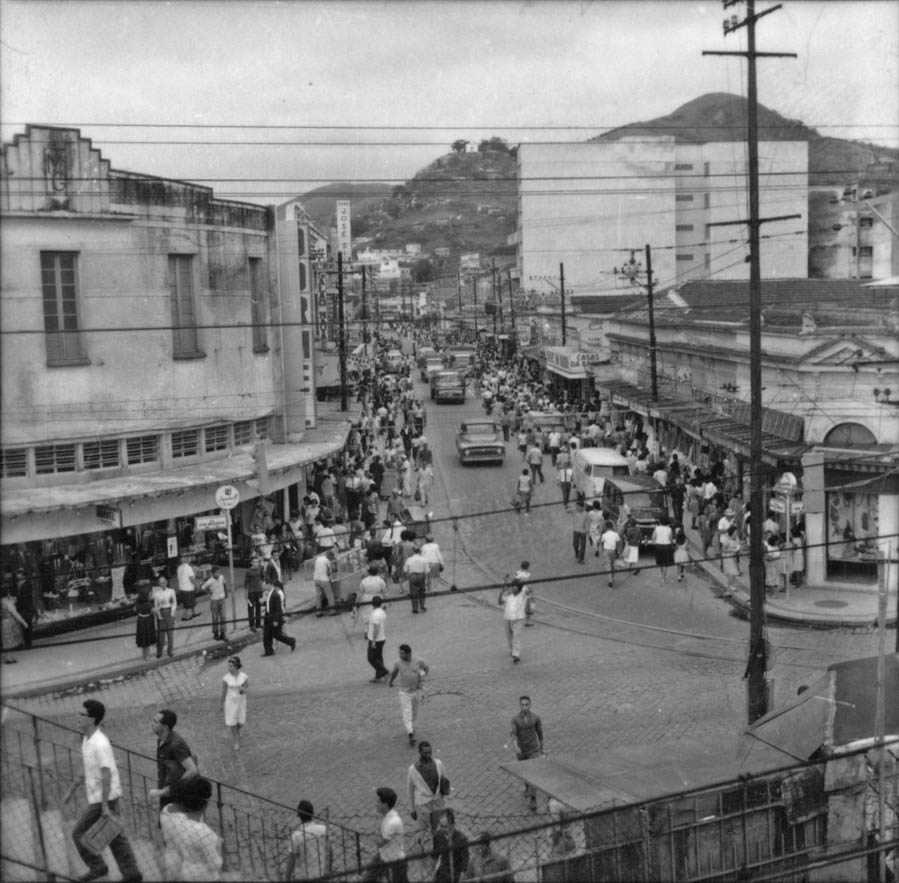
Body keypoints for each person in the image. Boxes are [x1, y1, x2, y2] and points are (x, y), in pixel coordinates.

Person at [68, 699, 143, 882]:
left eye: (82, 715)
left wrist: (103, 806)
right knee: (115, 835)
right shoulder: (87, 738)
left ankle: (98, 866)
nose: (78, 718)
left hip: (104, 797)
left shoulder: (100, 744)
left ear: (92, 719)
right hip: (100, 796)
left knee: (78, 833)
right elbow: (87, 766)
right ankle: (131, 872)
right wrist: (72, 789)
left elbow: (106, 774)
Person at [160, 777, 223, 881]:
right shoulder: (203, 832)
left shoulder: (166, 811)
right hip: (203, 876)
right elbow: (214, 865)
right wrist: (218, 847)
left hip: (176, 864)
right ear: (205, 803)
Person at [149, 708, 198, 811]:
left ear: (165, 727)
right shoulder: (161, 739)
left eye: (155, 722)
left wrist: (171, 789)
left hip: (177, 795)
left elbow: (192, 770)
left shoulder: (175, 745)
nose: (151, 724)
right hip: (167, 791)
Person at [406, 740, 450, 855]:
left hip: (437, 802)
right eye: (425, 753)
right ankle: (426, 851)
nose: (429, 755)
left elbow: (445, 780)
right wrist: (412, 809)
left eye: (430, 752)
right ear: (419, 752)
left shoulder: (438, 763)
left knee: (435, 828)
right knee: (425, 830)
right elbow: (410, 790)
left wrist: (444, 798)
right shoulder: (412, 770)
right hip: (422, 804)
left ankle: (434, 847)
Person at [388, 643, 429, 746]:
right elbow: (395, 672)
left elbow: (426, 669)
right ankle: (410, 734)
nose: (400, 656)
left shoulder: (419, 661)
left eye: (402, 654)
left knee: (414, 712)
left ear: (409, 654)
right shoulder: (398, 662)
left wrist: (422, 676)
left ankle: (410, 726)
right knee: (406, 713)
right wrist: (391, 681)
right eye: (399, 653)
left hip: (416, 691)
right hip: (404, 692)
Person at [363, 787, 407, 883]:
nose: (376, 804)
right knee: (367, 879)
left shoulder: (392, 822)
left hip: (395, 862)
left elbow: (380, 843)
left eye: (378, 802)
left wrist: (374, 826)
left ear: (385, 805)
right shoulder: (386, 816)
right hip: (383, 856)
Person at [510, 695, 544, 811]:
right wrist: (515, 746)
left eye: (526, 705)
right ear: (520, 705)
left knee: (533, 774)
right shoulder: (515, 719)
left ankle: (533, 799)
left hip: (534, 750)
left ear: (530, 705)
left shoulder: (535, 718)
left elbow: (540, 734)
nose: (524, 707)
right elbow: (513, 734)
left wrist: (542, 748)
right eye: (522, 705)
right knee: (524, 773)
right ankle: (527, 787)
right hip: (521, 750)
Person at [284, 799, 330, 882]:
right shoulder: (324, 829)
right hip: (322, 874)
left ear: (298, 815)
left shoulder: (296, 836)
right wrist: (329, 870)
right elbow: (330, 852)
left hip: (304, 877)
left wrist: (286, 879)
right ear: (312, 813)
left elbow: (291, 862)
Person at [431, 808, 469, 883]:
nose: (442, 829)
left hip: (456, 875)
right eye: (441, 825)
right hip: (442, 875)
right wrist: (435, 872)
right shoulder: (438, 836)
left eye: (445, 826)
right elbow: (435, 856)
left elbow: (464, 866)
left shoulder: (461, 839)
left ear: (453, 824)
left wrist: (460, 880)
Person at [498, 577, 530, 664]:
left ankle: (516, 654)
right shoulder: (507, 594)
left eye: (514, 587)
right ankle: (512, 649)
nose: (512, 589)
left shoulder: (523, 594)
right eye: (512, 587)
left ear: (519, 589)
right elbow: (500, 602)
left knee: (516, 636)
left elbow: (528, 589)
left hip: (519, 618)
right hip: (508, 618)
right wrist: (502, 592)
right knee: (509, 636)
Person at [220, 655, 248, 750]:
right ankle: (236, 739)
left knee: (241, 722)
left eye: (231, 666)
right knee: (232, 722)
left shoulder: (244, 676)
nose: (229, 668)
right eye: (228, 666)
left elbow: (246, 684)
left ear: (236, 666)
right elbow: (223, 692)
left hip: (241, 702)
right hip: (230, 703)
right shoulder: (226, 678)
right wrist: (221, 704)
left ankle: (235, 731)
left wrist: (243, 689)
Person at [263, 579, 296, 656]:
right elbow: (269, 604)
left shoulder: (275, 595)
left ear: (269, 585)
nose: (264, 587)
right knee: (267, 634)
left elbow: (278, 609)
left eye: (265, 585)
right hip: (268, 617)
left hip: (274, 618)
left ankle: (291, 641)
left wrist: (276, 620)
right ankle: (269, 651)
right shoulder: (270, 593)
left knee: (277, 635)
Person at [1, 586, 28, 664]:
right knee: (9, 641)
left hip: (3, 622)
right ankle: (8, 657)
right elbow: (16, 614)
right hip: (9, 623)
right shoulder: (7, 602)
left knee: (5, 641)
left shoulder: (2, 601)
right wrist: (24, 623)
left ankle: (6, 657)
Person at [153, 575, 177, 659]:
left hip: (169, 612)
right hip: (162, 613)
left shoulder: (171, 591)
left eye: (164, 582)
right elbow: (156, 606)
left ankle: (170, 651)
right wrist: (158, 614)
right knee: (161, 635)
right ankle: (159, 652)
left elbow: (174, 603)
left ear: (166, 582)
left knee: (170, 634)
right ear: (159, 584)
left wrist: (173, 612)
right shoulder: (157, 594)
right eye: (160, 583)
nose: (162, 584)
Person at [367, 596, 390, 682]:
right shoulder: (381, 612)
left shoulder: (375, 614)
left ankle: (385, 672)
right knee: (378, 657)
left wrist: (373, 641)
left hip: (375, 639)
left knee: (371, 658)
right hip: (382, 638)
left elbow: (376, 628)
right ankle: (379, 676)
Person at [202, 566, 228, 641]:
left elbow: (224, 584)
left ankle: (223, 633)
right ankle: (215, 633)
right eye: (216, 572)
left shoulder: (222, 577)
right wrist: (209, 592)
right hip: (214, 600)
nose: (218, 574)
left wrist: (226, 593)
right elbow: (203, 588)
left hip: (222, 599)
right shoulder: (210, 581)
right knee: (215, 617)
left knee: (223, 617)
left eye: (219, 572)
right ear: (212, 573)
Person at [313, 548, 339, 617]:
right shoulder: (327, 561)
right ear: (329, 556)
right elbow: (331, 571)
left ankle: (318, 612)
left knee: (318, 596)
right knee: (330, 595)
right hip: (324, 580)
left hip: (316, 579)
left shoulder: (318, 558)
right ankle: (332, 611)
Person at [404, 543, 429, 613]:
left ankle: (415, 608)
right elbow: (427, 570)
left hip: (412, 576)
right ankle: (422, 606)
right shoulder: (424, 559)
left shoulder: (409, 559)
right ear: (420, 551)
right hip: (421, 575)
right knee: (422, 591)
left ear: (413, 551)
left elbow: (405, 569)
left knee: (413, 592)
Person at [134, 582, 156, 661]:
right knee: (147, 639)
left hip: (140, 621)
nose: (150, 595)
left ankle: (144, 655)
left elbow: (134, 609)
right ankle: (148, 656)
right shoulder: (148, 604)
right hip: (147, 621)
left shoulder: (138, 603)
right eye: (150, 594)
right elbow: (154, 611)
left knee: (143, 639)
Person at [650, 515, 675, 584]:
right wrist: (672, 545)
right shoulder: (669, 529)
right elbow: (671, 539)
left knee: (660, 562)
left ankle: (662, 574)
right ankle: (663, 578)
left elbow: (653, 538)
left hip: (658, 546)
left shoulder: (657, 528)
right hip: (667, 546)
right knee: (666, 563)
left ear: (660, 522)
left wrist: (654, 543)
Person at [599, 520, 622, 588]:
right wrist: (618, 552)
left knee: (608, 566)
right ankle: (612, 576)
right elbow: (619, 543)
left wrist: (601, 550)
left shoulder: (604, 535)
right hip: (613, 551)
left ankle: (610, 580)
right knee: (612, 565)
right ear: (612, 527)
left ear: (606, 527)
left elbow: (601, 542)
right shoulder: (615, 534)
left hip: (606, 551)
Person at [720, 525, 741, 596]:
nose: (736, 533)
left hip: (733, 557)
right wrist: (733, 550)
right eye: (735, 532)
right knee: (731, 573)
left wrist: (738, 549)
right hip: (727, 558)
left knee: (734, 571)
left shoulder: (736, 539)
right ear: (732, 532)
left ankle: (732, 585)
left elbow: (738, 546)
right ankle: (728, 588)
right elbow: (723, 550)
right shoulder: (727, 539)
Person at [244, 556, 264, 632]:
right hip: (251, 592)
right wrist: (245, 594)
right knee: (251, 609)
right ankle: (252, 625)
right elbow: (245, 583)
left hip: (259, 591)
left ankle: (258, 623)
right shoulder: (248, 571)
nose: (256, 563)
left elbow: (262, 578)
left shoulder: (260, 569)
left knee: (259, 607)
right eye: (254, 562)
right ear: (251, 562)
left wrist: (263, 588)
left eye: (257, 562)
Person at [176, 556, 197, 621]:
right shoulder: (188, 568)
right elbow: (191, 578)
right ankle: (186, 616)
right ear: (186, 560)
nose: (190, 559)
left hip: (182, 587)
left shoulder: (179, 567)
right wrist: (196, 584)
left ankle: (190, 614)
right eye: (189, 558)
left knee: (186, 602)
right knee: (189, 603)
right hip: (188, 587)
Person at [571, 498, 588, 564]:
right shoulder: (574, 512)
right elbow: (566, 510)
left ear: (582, 507)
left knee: (583, 546)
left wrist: (587, 529)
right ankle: (577, 552)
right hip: (576, 531)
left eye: (578, 506)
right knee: (575, 544)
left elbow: (588, 522)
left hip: (583, 532)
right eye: (577, 506)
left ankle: (581, 559)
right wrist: (572, 508)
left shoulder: (586, 514)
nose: (577, 507)